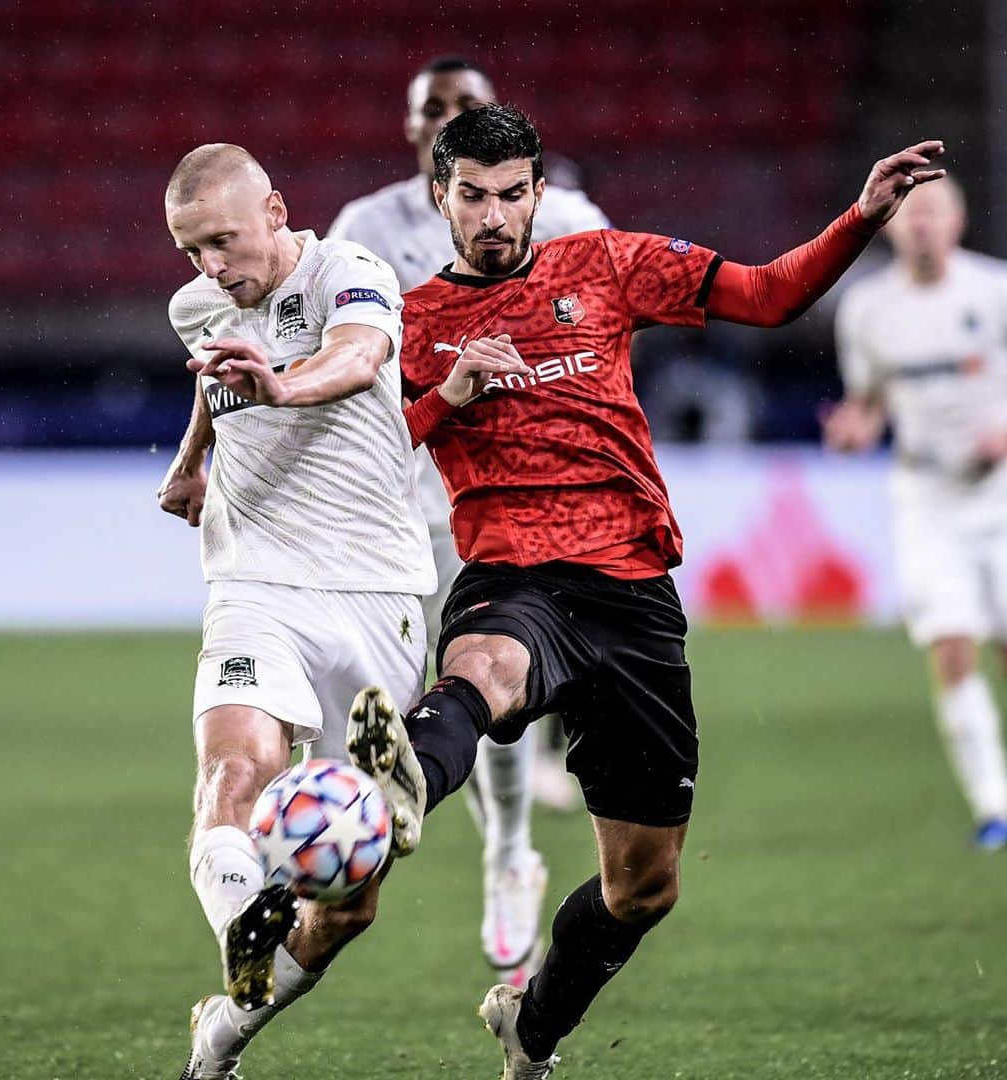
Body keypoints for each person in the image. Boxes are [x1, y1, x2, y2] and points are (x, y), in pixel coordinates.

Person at [204, 105, 945, 1077]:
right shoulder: (413, 321)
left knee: (644, 888)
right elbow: (369, 463)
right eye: (472, 195)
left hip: (633, 593)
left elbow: (766, 297)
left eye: (512, 195)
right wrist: (447, 396)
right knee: (487, 668)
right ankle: (401, 788)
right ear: (441, 200)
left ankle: (531, 1028)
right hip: (512, 571)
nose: (494, 215)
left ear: (538, 195)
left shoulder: (603, 264)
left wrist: (861, 217)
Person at [157, 142, 436, 1080]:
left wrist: (286, 382)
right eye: (191, 250)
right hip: (256, 582)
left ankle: (222, 1034)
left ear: (275, 211)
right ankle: (242, 923)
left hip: (375, 589)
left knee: (348, 904)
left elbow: (358, 360)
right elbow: (214, 370)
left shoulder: (350, 272)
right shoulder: (196, 304)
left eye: (224, 242)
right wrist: (195, 454)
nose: (211, 269)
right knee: (236, 770)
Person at [327, 55, 607, 989]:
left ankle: (507, 852)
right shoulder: (367, 229)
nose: (446, 116)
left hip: (499, 500)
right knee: (393, 690)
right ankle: (331, 837)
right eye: (432, 109)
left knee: (484, 678)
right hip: (396, 496)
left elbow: (613, 307)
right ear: (415, 129)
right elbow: (335, 352)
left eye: (466, 105)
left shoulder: (559, 215)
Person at [823, 176, 1007, 851]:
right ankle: (994, 807)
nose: (922, 224)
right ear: (893, 225)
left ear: (958, 219)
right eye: (910, 213)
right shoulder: (868, 308)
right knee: (952, 645)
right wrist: (854, 428)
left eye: (934, 211)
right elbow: (869, 402)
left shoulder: (995, 291)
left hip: (1001, 492)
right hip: (926, 497)